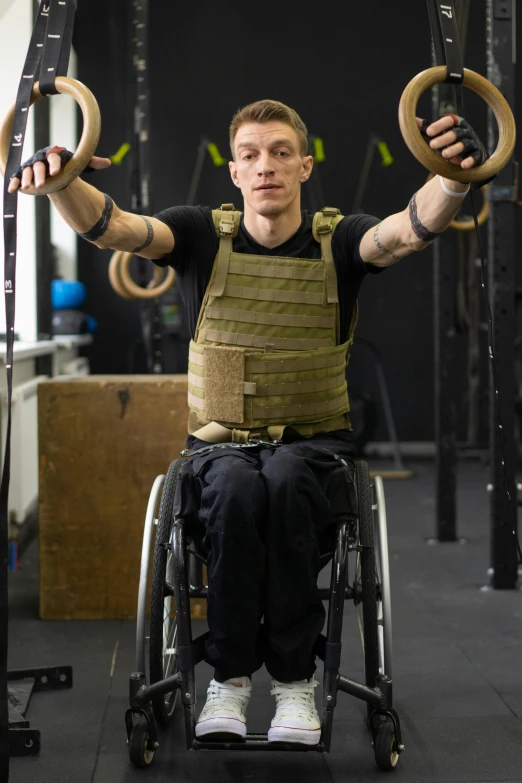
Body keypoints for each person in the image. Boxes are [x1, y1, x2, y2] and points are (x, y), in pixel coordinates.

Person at [8, 99, 486, 746]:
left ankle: (293, 683)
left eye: (282, 152)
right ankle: (229, 677)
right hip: (218, 447)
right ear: (234, 172)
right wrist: (62, 182)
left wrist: (453, 174)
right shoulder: (200, 234)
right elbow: (118, 228)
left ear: (304, 166)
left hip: (315, 448)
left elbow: (405, 230)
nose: (267, 166)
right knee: (235, 488)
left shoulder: (340, 239)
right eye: (252, 155)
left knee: (287, 478)